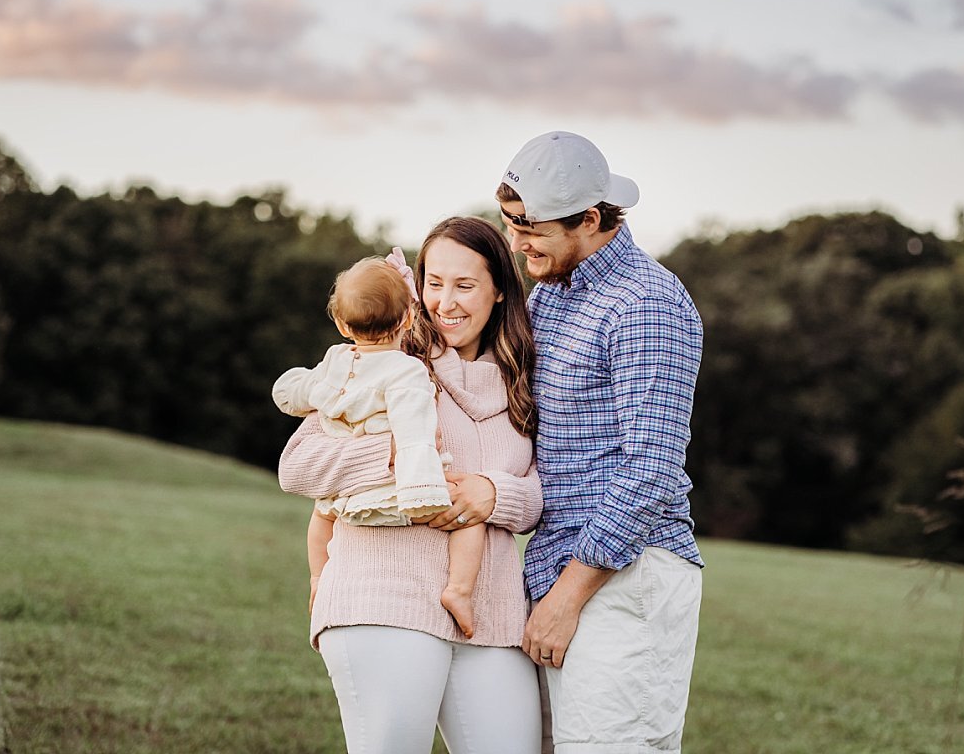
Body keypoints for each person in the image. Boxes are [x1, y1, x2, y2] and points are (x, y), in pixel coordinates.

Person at [279, 217, 545, 754]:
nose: (445, 302)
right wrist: (398, 454)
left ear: (499, 292)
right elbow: (298, 466)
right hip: (385, 595)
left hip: (489, 614)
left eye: (465, 285)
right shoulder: (388, 364)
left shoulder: (523, 378)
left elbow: (545, 491)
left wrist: (495, 495)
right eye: (434, 283)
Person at [496, 132, 703, 754]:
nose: (517, 242)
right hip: (557, 567)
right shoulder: (552, 293)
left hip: (625, 576)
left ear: (590, 218)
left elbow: (652, 469)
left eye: (531, 227)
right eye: (510, 223)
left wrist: (568, 595)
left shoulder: (646, 302)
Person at [272, 253, 477, 632]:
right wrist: (422, 490)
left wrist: (296, 391)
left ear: (340, 323)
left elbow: (296, 391)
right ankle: (460, 591)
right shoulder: (407, 370)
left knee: (320, 518)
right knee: (469, 518)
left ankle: (319, 578)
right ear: (408, 318)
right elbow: (414, 433)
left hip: (344, 497)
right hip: (393, 492)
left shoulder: (335, 361)